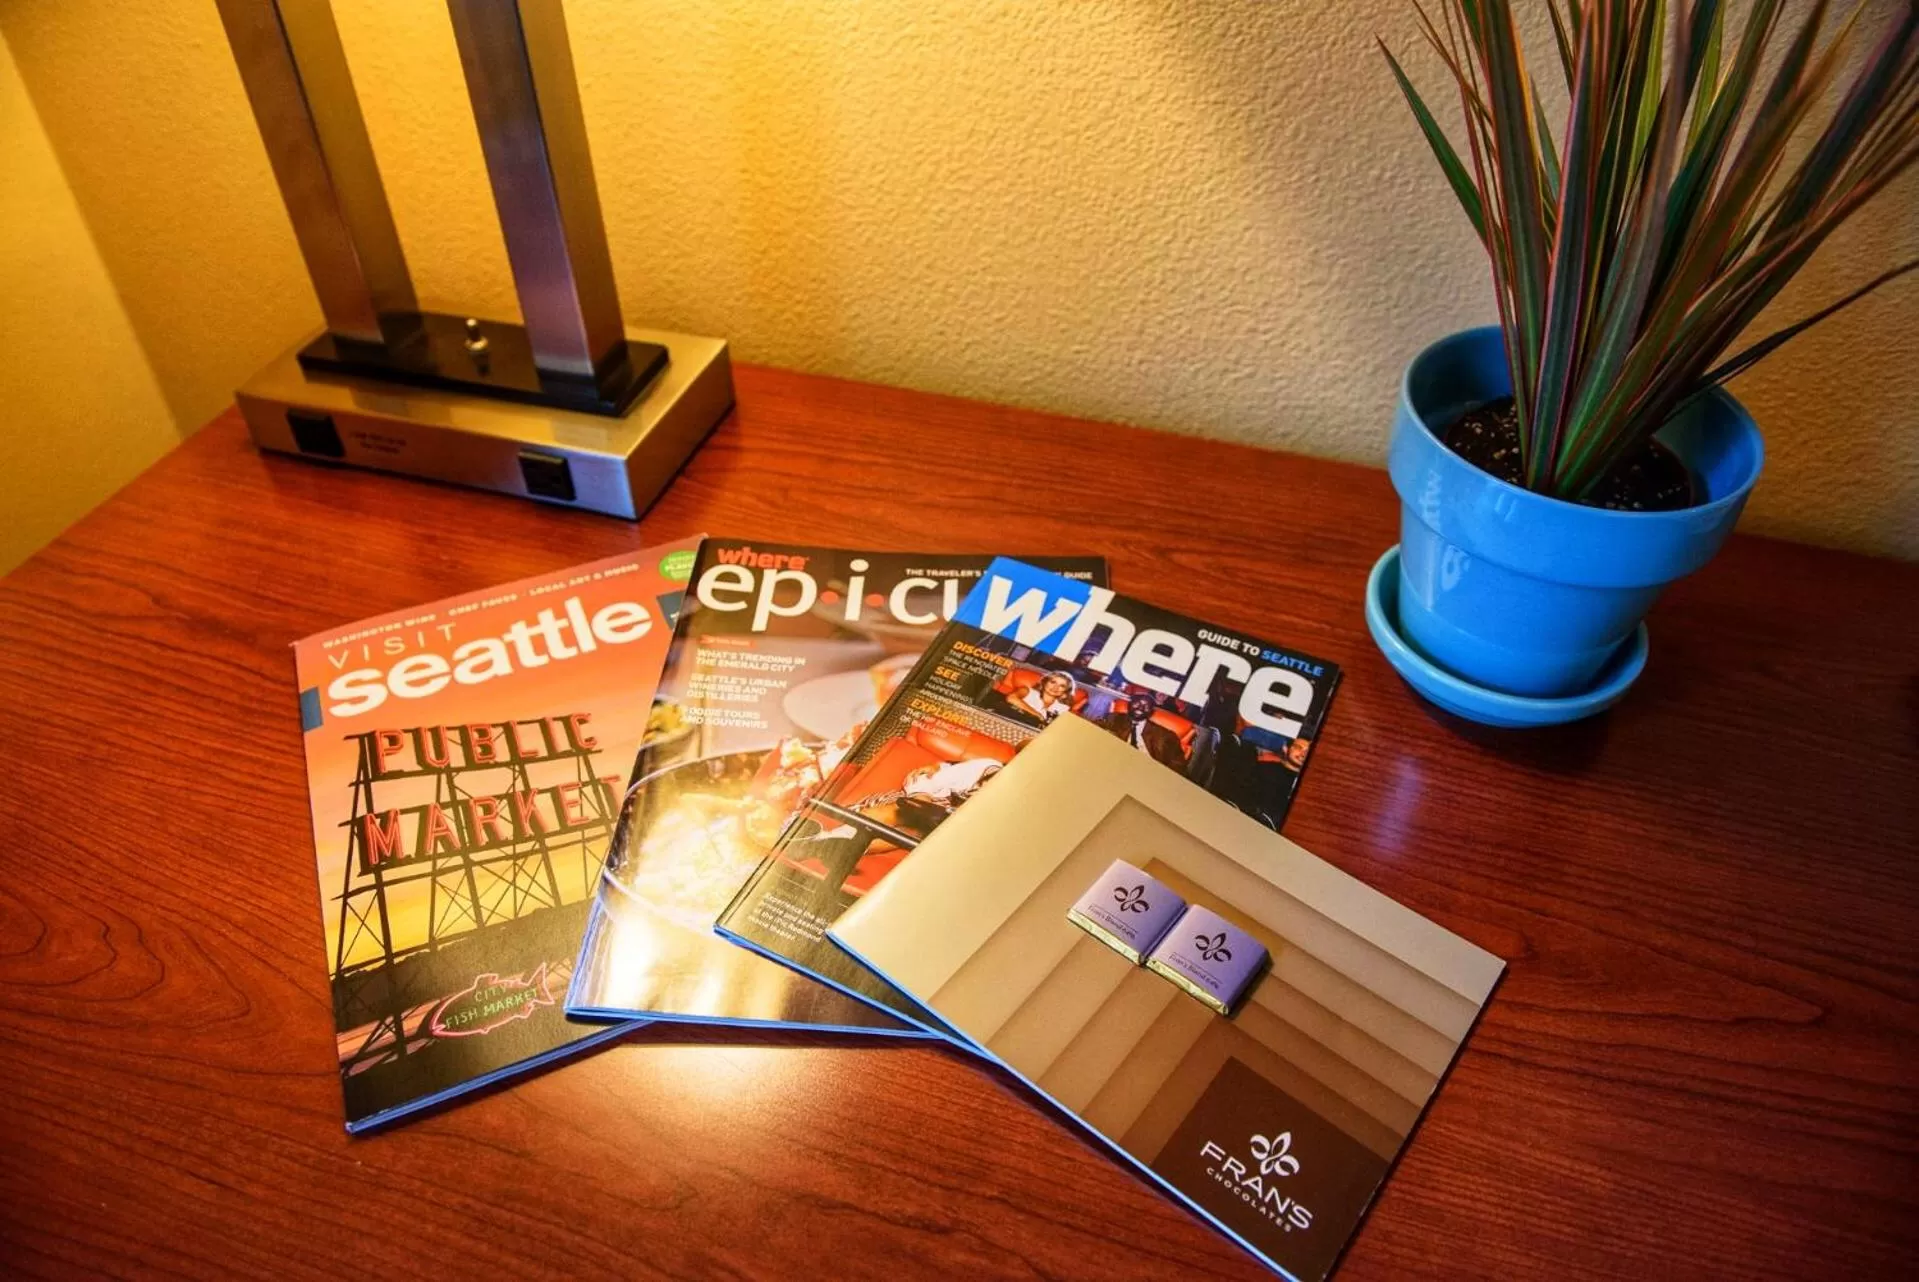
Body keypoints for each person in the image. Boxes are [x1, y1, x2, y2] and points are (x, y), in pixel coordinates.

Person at [1098, 690, 1186, 771]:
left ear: (1151, 711)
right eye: (1137, 703)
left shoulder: (1164, 735)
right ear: (1129, 704)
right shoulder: (1115, 718)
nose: (1141, 708)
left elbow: (1178, 765)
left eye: (1146, 706)